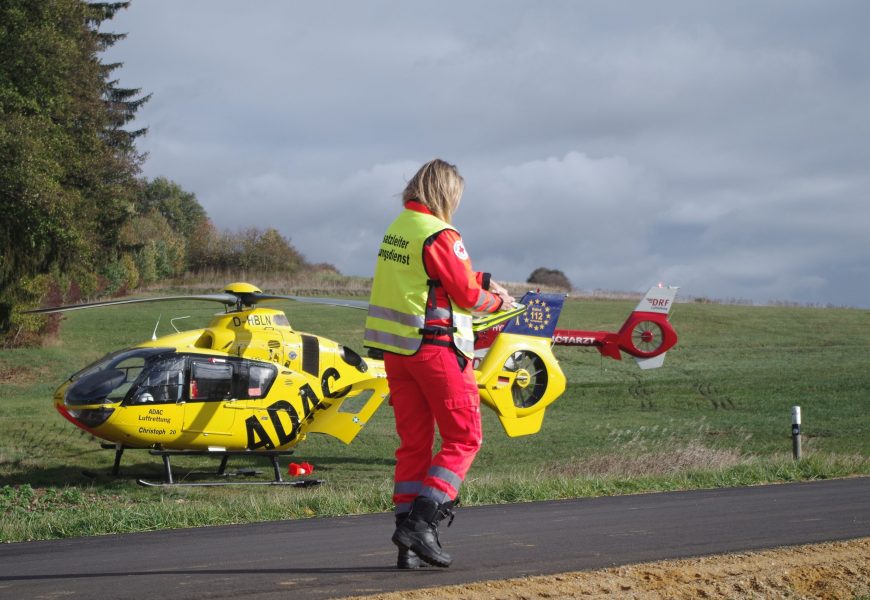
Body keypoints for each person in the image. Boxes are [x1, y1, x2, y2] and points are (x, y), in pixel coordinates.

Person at [364, 158, 515, 569]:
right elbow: (466, 297)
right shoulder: (442, 233)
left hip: (399, 354)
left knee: (414, 443)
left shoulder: (399, 229)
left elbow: (428, 277)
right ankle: (422, 522)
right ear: (446, 193)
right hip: (438, 351)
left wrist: (478, 278)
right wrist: (499, 301)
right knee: (464, 438)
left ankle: (406, 544)